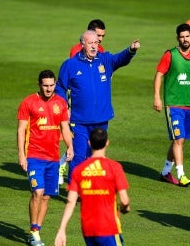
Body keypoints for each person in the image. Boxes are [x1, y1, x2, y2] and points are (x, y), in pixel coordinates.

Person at [55, 30, 140, 183]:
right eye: (90, 43)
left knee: (94, 155)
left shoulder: (105, 60)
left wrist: (131, 50)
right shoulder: (70, 65)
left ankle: (90, 186)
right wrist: (63, 107)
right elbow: (60, 87)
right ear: (82, 44)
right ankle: (75, 189)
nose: (94, 46)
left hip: (101, 119)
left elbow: (120, 59)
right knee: (79, 155)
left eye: (96, 43)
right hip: (79, 121)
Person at [55, 128, 130, 246]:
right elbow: (124, 200)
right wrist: (125, 208)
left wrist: (62, 229)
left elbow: (71, 201)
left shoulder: (79, 170)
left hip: (88, 229)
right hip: (109, 228)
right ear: (107, 143)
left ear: (89, 143)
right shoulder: (114, 167)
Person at [17, 70, 74, 246]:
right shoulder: (28, 103)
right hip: (34, 156)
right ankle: (33, 232)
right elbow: (21, 130)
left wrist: (70, 146)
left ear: (55, 84)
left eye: (51, 85)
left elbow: (64, 127)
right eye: (45, 86)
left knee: (47, 196)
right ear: (39, 85)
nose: (48, 89)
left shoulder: (60, 103)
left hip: (53, 159)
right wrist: (21, 155)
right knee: (38, 192)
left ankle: (38, 229)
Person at [153, 23, 190, 186]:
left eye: (187, 36)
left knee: (180, 139)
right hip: (173, 104)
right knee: (178, 139)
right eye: (182, 36)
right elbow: (159, 75)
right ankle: (181, 174)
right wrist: (157, 97)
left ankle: (165, 172)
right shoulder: (170, 55)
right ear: (177, 38)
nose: (185, 39)